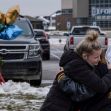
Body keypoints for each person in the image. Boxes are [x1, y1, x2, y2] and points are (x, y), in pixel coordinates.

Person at [40, 30, 111, 111]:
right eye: (96, 57)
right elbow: (99, 87)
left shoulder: (81, 63)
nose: (99, 60)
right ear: (85, 56)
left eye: (100, 56)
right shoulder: (77, 66)